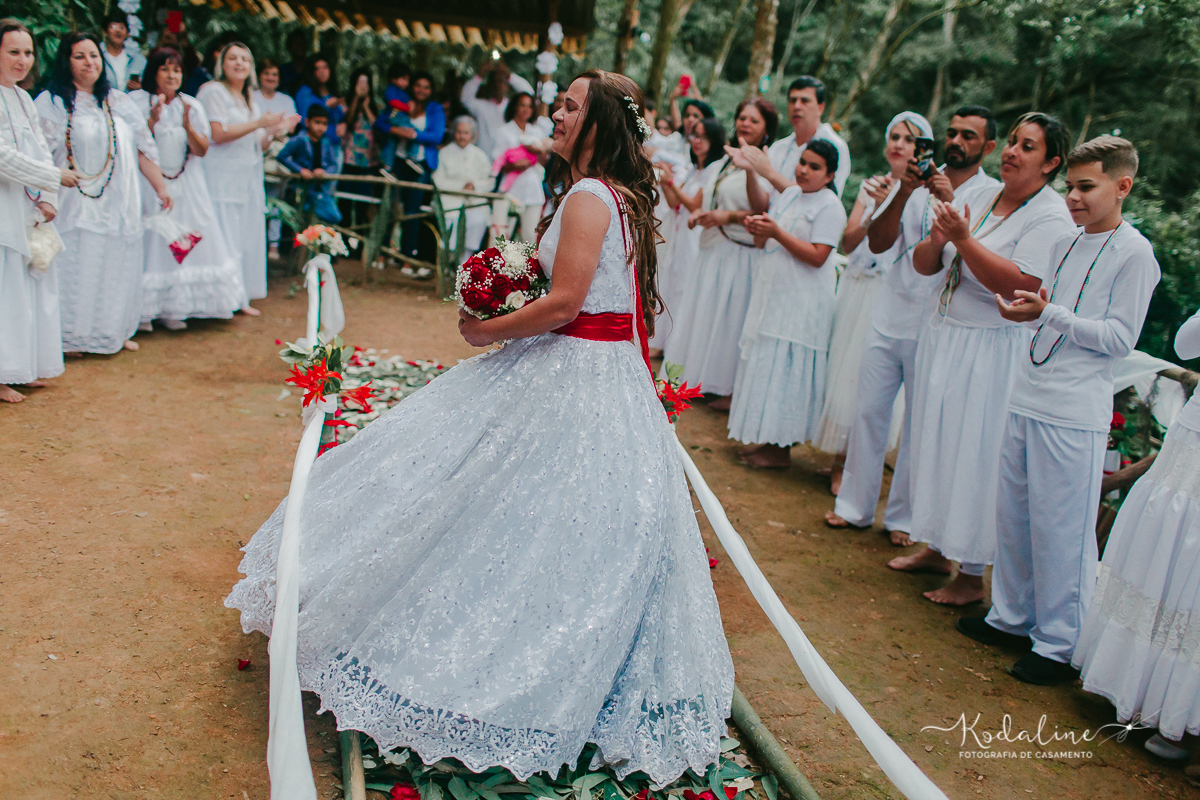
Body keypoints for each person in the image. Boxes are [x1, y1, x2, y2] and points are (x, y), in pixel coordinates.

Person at [225, 69, 734, 786]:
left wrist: (487, 328)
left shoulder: (589, 197)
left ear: (601, 127)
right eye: (557, 103)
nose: (555, 114)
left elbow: (565, 305)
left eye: (570, 107)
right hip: (604, 377)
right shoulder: (614, 196)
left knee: (500, 500)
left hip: (576, 374)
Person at [951, 136, 1162, 685]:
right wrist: (1026, 313)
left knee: (1062, 529)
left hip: (1074, 410)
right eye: (1069, 185)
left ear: (1123, 186)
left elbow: (1119, 338)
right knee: (1015, 514)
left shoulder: (1135, 253)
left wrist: (1050, 314)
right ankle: (1011, 616)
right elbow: (1049, 308)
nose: (1072, 197)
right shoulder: (1066, 242)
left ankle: (1059, 643)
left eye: (1085, 187)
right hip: (1029, 392)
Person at [891, 112, 1076, 605]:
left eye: (1028, 147)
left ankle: (971, 575)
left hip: (993, 348)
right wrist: (939, 239)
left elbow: (1019, 285)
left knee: (975, 454)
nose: (1013, 151)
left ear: (1051, 163)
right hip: (945, 334)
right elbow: (925, 264)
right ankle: (936, 545)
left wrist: (963, 239)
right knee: (936, 440)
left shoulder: (1050, 216)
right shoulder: (977, 193)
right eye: (1013, 142)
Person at [827, 107, 999, 542]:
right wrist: (904, 192)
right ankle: (853, 505)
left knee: (918, 426)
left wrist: (945, 198)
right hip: (889, 311)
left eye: (969, 135)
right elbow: (879, 241)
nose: (957, 141)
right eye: (952, 133)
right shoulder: (916, 182)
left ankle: (903, 519)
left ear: (987, 147)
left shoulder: (989, 195)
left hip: (939, 323)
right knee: (868, 411)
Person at [1072, 302, 1200, 760]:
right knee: (1160, 556)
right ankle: (1134, 688)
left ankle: (1181, 717)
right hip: (1189, 444)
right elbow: (1186, 346)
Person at [35, 31, 172, 355]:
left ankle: (111, 332)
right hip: (72, 206)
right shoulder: (52, 102)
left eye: (94, 55)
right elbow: (37, 155)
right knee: (77, 268)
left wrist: (161, 187)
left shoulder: (119, 101)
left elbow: (142, 150)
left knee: (115, 266)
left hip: (118, 203)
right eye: (79, 56)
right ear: (66, 61)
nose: (88, 63)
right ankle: (69, 338)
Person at [810, 114, 925, 490]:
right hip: (860, 285)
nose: (898, 143)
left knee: (875, 376)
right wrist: (875, 206)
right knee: (847, 368)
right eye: (893, 136)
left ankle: (865, 464)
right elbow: (848, 241)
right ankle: (842, 458)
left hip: (893, 291)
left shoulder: (926, 193)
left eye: (908, 139)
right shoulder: (871, 185)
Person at [728, 139, 846, 468]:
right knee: (768, 366)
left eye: (814, 166)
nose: (804, 170)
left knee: (787, 371)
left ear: (830, 175)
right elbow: (765, 238)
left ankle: (781, 449)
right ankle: (766, 438)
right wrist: (760, 229)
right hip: (774, 293)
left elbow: (819, 257)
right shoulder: (791, 194)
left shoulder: (830, 206)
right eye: (802, 162)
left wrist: (777, 233)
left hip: (803, 302)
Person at [662, 98, 777, 407]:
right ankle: (695, 380)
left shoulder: (769, 162)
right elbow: (704, 200)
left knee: (728, 322)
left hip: (740, 252)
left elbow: (762, 208)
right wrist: (700, 214)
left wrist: (749, 175)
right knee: (704, 316)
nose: (745, 124)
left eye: (753, 120)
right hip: (712, 248)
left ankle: (723, 387)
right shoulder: (722, 161)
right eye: (741, 117)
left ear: (767, 128)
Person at [129, 48, 244, 329]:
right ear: (154, 71)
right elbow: (132, 143)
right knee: (152, 241)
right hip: (149, 182)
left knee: (181, 241)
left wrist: (187, 126)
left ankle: (175, 308)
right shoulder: (136, 101)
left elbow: (203, 149)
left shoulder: (191, 105)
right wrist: (152, 122)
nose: (171, 75)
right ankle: (143, 311)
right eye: (165, 69)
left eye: (177, 70)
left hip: (186, 182)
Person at [0, 19, 80, 403]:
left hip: (26, 206)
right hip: (3, 207)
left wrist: (49, 194)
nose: (22, 60)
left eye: (28, 52)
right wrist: (52, 175)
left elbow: (40, 150)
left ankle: (23, 365)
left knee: (28, 285)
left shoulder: (20, 97)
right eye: (13, 51)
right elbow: (2, 157)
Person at [198, 42, 290, 314]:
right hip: (220, 175)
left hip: (247, 175)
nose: (239, 64)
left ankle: (238, 296)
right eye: (233, 58)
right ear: (222, 64)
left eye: (245, 60)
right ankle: (215, 300)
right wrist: (259, 123)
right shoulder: (213, 91)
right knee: (222, 234)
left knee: (242, 235)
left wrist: (273, 130)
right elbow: (217, 133)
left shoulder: (248, 97)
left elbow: (257, 143)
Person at [652, 118, 725, 353]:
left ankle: (677, 345)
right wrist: (664, 181)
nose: (697, 142)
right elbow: (675, 203)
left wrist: (671, 182)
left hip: (694, 235)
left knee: (684, 286)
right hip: (680, 234)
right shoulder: (694, 169)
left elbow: (695, 204)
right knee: (671, 282)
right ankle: (663, 341)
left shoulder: (714, 170)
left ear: (714, 141)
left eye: (703, 137)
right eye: (695, 136)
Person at [731, 77, 851, 210]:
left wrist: (770, 173)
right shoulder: (778, 148)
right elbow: (761, 206)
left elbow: (822, 204)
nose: (797, 106)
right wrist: (750, 170)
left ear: (820, 108)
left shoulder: (835, 146)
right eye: (793, 100)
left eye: (805, 101)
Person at [380, 71, 445, 265]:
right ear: (411, 87)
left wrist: (413, 135)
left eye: (426, 87)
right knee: (388, 206)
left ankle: (407, 257)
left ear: (431, 90)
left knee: (412, 211)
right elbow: (380, 122)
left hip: (420, 166)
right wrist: (395, 130)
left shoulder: (435, 109)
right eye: (418, 86)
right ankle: (382, 252)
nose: (421, 90)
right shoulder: (401, 103)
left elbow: (437, 136)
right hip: (398, 161)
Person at [253, 59, 297, 260]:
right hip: (255, 152)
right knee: (255, 201)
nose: (271, 78)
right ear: (259, 75)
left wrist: (273, 129)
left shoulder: (286, 100)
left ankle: (273, 245)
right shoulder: (251, 97)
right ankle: (256, 244)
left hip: (278, 156)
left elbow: (292, 126)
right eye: (267, 73)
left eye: (275, 74)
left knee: (276, 203)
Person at [491, 91, 550, 243]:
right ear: (515, 107)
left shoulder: (537, 131)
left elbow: (544, 161)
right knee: (502, 235)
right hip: (511, 188)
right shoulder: (504, 131)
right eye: (522, 105)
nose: (526, 109)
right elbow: (498, 162)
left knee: (530, 236)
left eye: (529, 106)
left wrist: (538, 151)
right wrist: (515, 165)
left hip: (533, 186)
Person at [433, 116, 492, 260]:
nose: (462, 136)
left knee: (478, 220)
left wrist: (474, 186)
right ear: (454, 133)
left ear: (472, 134)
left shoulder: (480, 155)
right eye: (459, 132)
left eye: (466, 133)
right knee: (451, 224)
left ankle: (465, 262)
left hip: (474, 202)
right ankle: (449, 263)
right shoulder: (444, 153)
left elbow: (490, 181)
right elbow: (437, 180)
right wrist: (461, 187)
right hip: (450, 201)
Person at [278, 104, 342, 224]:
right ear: (307, 122)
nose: (321, 127)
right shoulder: (299, 139)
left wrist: (325, 172)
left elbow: (333, 164)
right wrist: (300, 170)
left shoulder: (326, 142)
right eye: (317, 122)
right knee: (295, 221)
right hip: (299, 189)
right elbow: (283, 156)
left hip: (319, 190)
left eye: (324, 124)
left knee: (334, 216)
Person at [459, 58, 535, 157]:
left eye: (501, 81)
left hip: (508, 160)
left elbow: (529, 94)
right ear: (489, 85)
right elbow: (465, 98)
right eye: (494, 81)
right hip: (485, 157)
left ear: (507, 85)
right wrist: (480, 75)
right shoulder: (481, 106)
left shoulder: (512, 106)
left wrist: (509, 75)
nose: (497, 85)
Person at [293, 54, 344, 146]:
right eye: (317, 68)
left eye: (325, 67)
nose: (322, 72)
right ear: (312, 72)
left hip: (335, 146)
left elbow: (341, 118)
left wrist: (345, 125)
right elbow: (306, 121)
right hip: (314, 146)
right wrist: (326, 107)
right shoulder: (305, 92)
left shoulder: (332, 92)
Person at [100, 13, 146, 93]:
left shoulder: (139, 60)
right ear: (105, 32)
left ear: (127, 33)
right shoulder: (97, 57)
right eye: (113, 27)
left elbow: (149, 87)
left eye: (122, 27)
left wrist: (140, 87)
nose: (118, 31)